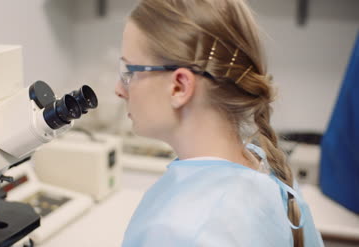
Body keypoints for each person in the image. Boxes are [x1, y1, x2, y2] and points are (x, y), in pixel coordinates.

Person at [114, 0, 324, 246]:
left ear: (179, 86)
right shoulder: (264, 167)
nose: (119, 89)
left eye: (130, 72)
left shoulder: (178, 232)